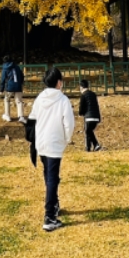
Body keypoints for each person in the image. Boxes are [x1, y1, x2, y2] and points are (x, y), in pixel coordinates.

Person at [31, 67, 75, 232]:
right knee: (52, 179)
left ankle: (54, 205)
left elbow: (32, 119)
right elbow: (69, 124)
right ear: (58, 82)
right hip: (55, 143)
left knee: (49, 176)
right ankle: (49, 216)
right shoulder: (63, 100)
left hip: (41, 143)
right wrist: (66, 139)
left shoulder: (40, 98)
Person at [78, 79, 102, 151]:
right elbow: (96, 105)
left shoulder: (83, 95)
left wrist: (80, 113)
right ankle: (90, 148)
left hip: (89, 117)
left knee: (88, 131)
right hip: (96, 117)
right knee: (89, 131)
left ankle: (95, 145)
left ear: (81, 87)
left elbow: (82, 107)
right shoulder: (93, 94)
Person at [1, 55, 25, 123]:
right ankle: (21, 117)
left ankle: (7, 115)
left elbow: (3, 79)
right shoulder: (17, 67)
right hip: (18, 86)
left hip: (9, 87)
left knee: (7, 100)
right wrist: (21, 83)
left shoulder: (5, 68)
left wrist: (1, 89)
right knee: (19, 102)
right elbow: (22, 75)